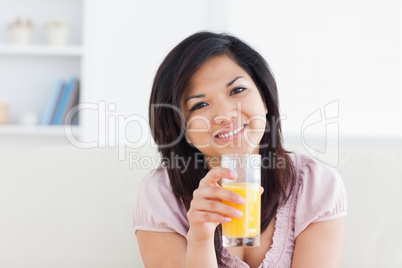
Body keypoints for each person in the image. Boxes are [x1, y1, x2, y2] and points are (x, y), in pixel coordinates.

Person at [133, 31, 347, 268]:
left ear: (264, 99)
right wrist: (200, 238)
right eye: (200, 104)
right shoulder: (159, 196)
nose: (225, 115)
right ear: (183, 131)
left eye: (237, 90)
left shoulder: (315, 184)